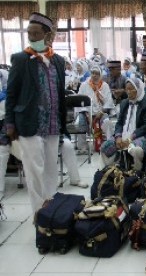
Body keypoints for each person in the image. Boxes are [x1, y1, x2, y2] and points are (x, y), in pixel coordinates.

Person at [5, 12, 68, 213]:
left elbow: (60, 92)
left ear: (47, 36)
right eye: (29, 33)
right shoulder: (21, 59)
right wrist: (10, 123)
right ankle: (38, 212)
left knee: (50, 168)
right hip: (29, 122)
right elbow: (12, 93)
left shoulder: (58, 61)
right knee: (34, 170)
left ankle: (50, 207)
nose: (32, 37)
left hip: (52, 123)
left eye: (36, 33)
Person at [101, 77, 146, 171]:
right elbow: (119, 123)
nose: (129, 92)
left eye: (132, 89)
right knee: (105, 146)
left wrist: (130, 138)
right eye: (127, 89)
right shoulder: (124, 102)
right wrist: (118, 136)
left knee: (136, 150)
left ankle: (137, 170)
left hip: (139, 135)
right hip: (123, 134)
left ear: (138, 89)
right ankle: (109, 169)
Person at [77, 66, 114, 153]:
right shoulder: (84, 85)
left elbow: (109, 101)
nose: (94, 75)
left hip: (101, 112)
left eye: (97, 74)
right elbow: (79, 100)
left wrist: (101, 112)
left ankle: (110, 145)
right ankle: (82, 148)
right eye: (93, 73)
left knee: (107, 123)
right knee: (81, 122)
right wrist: (86, 111)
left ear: (100, 75)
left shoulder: (105, 86)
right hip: (86, 112)